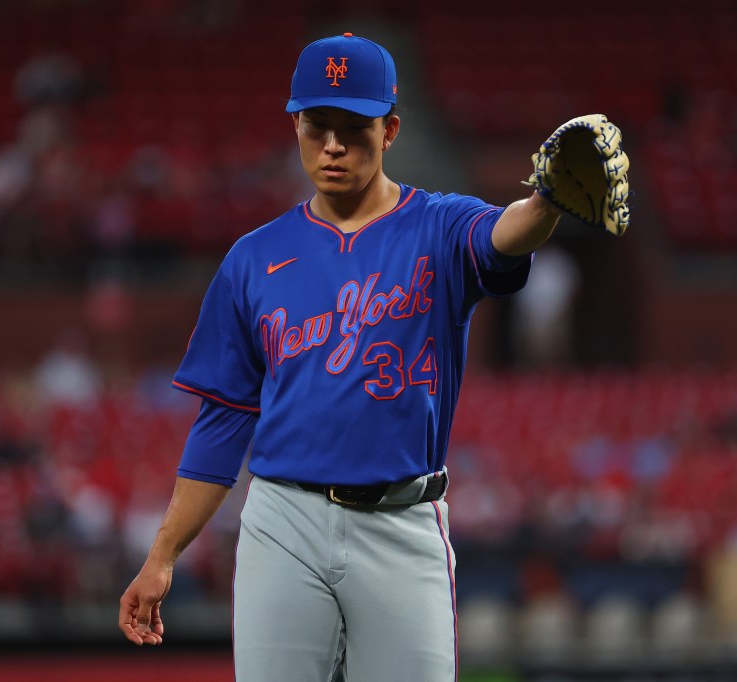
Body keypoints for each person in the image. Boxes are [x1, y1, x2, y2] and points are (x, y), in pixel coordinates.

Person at [118, 32, 580, 681]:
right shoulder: (253, 258)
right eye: (318, 125)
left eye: (354, 127)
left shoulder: (440, 226)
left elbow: (502, 239)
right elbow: (222, 421)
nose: (333, 145)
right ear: (297, 125)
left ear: (390, 129)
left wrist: (546, 202)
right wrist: (163, 555)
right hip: (284, 519)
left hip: (402, 520)